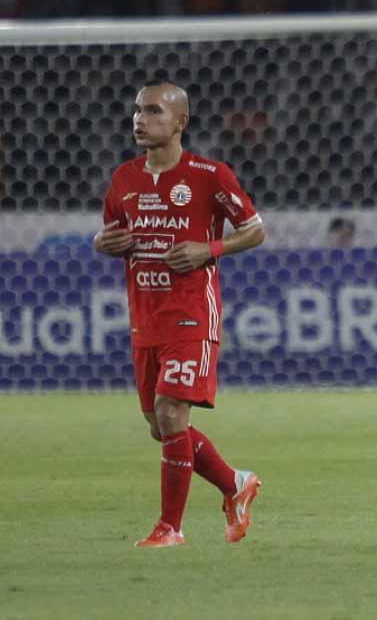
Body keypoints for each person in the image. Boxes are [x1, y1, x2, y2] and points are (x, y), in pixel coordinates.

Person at [93, 81, 266, 547]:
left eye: (152, 111)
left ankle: (170, 528)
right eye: (136, 111)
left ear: (180, 122)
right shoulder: (124, 178)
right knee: (161, 426)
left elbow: (254, 230)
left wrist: (208, 249)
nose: (139, 120)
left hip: (192, 313)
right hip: (145, 317)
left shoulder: (210, 175)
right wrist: (103, 243)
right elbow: (108, 234)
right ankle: (235, 484)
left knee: (171, 412)